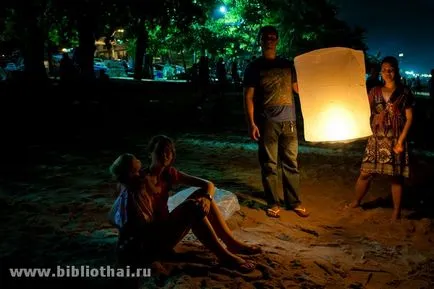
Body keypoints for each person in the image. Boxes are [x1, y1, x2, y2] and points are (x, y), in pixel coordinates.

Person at [108, 135, 260, 275]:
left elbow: (208, 184)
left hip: (166, 232)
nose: (164, 155)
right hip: (151, 239)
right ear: (150, 153)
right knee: (192, 206)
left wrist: (207, 198)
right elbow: (120, 207)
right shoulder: (138, 180)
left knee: (202, 198)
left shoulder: (169, 174)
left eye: (168, 152)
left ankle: (230, 242)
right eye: (160, 151)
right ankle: (225, 256)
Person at [243, 25, 309, 218]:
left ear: (277, 40)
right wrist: (251, 123)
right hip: (267, 123)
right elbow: (248, 97)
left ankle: (294, 202)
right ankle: (273, 202)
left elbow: (298, 89)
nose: (269, 39)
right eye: (266, 37)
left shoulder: (287, 65)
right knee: (269, 164)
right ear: (260, 40)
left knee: (291, 163)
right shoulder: (254, 67)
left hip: (289, 122)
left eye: (273, 37)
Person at [348, 56, 415, 221]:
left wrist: (401, 140)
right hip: (376, 138)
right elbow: (363, 110)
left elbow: (409, 118)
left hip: (395, 139)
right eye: (384, 70)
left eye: (391, 69)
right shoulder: (374, 91)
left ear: (396, 71)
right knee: (365, 172)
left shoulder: (404, 92)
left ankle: (396, 212)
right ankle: (356, 202)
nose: (388, 73)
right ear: (380, 72)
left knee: (395, 177)